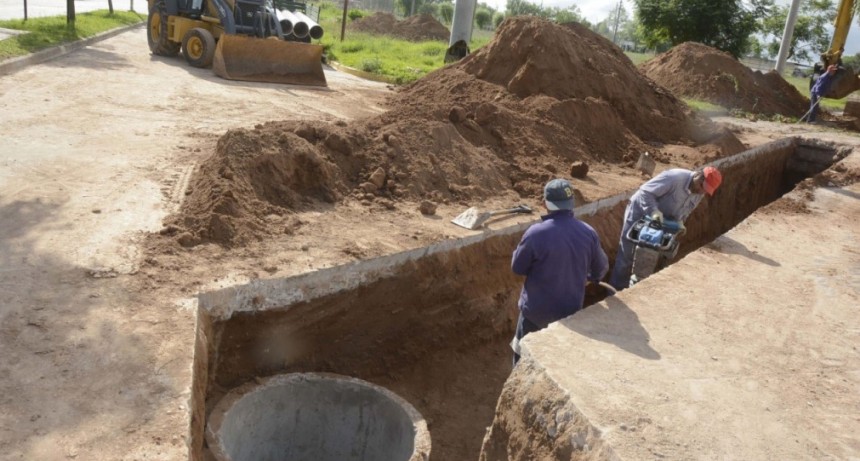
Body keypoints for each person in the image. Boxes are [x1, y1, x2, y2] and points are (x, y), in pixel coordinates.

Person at [510, 178, 609, 366]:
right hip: (569, 314)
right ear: (571, 203)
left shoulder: (536, 233)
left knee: (522, 358)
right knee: (555, 363)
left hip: (535, 314)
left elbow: (518, 267)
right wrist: (589, 278)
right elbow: (600, 268)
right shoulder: (588, 232)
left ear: (544, 204)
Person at [608, 167, 722, 291]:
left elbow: (687, 210)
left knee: (650, 256)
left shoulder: (699, 192)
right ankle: (615, 293)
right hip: (640, 213)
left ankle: (636, 290)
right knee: (627, 257)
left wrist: (679, 223)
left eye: (705, 191)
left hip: (662, 222)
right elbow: (645, 192)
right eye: (701, 186)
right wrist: (654, 212)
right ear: (698, 176)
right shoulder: (674, 178)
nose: (701, 191)